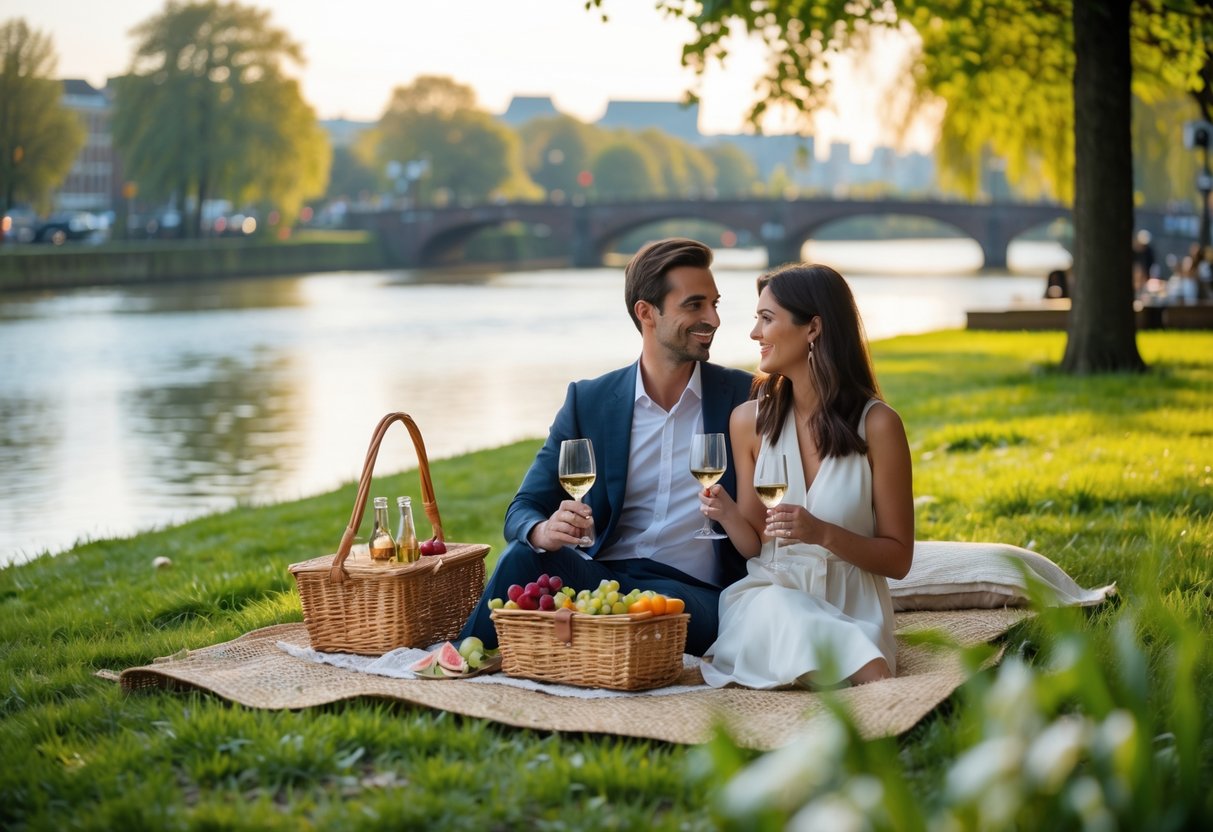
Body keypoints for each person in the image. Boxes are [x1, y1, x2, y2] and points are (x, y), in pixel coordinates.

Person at [458, 238, 754, 656]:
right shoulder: (589, 401)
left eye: (715, 304)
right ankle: (458, 663)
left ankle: (590, 635)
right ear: (646, 312)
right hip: (604, 577)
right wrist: (544, 531)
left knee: (659, 614)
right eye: (695, 305)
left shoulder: (744, 397)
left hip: (698, 596)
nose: (713, 319)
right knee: (519, 557)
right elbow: (523, 507)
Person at [697, 263, 914, 689]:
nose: (754, 333)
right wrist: (725, 515)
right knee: (779, 606)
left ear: (813, 328)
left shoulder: (878, 426)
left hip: (852, 606)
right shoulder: (749, 421)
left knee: (809, 621)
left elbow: (898, 559)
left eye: (766, 318)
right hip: (769, 597)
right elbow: (756, 543)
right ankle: (872, 680)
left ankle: (859, 668)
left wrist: (823, 533)